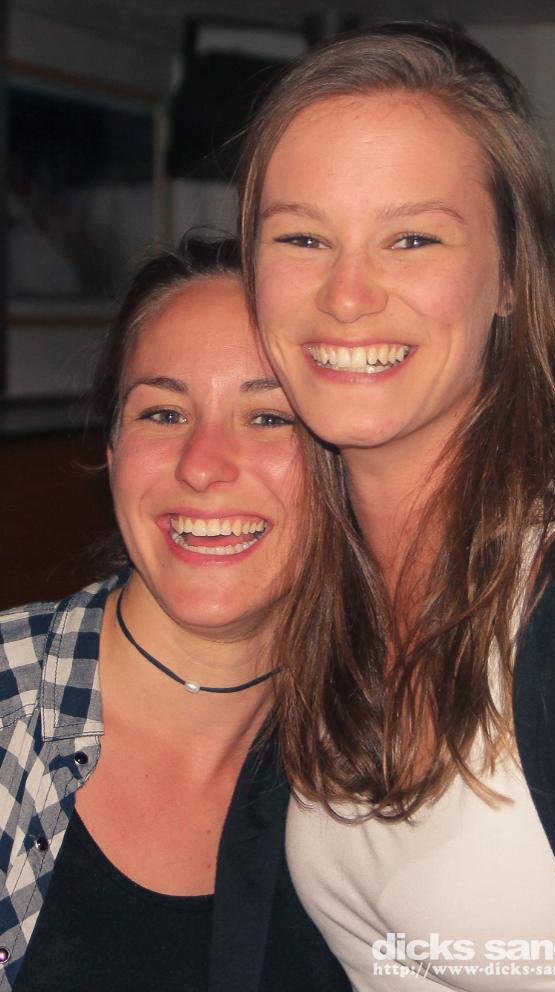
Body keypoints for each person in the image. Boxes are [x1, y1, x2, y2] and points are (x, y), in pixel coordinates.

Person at [238, 22, 555, 992]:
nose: (346, 295)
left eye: (412, 237)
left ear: (511, 276)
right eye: (302, 237)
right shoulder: (311, 589)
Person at [0, 236, 350, 992]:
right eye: (162, 412)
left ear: (349, 459)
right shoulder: (7, 709)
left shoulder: (397, 744)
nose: (202, 464)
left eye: (269, 416)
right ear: (112, 450)